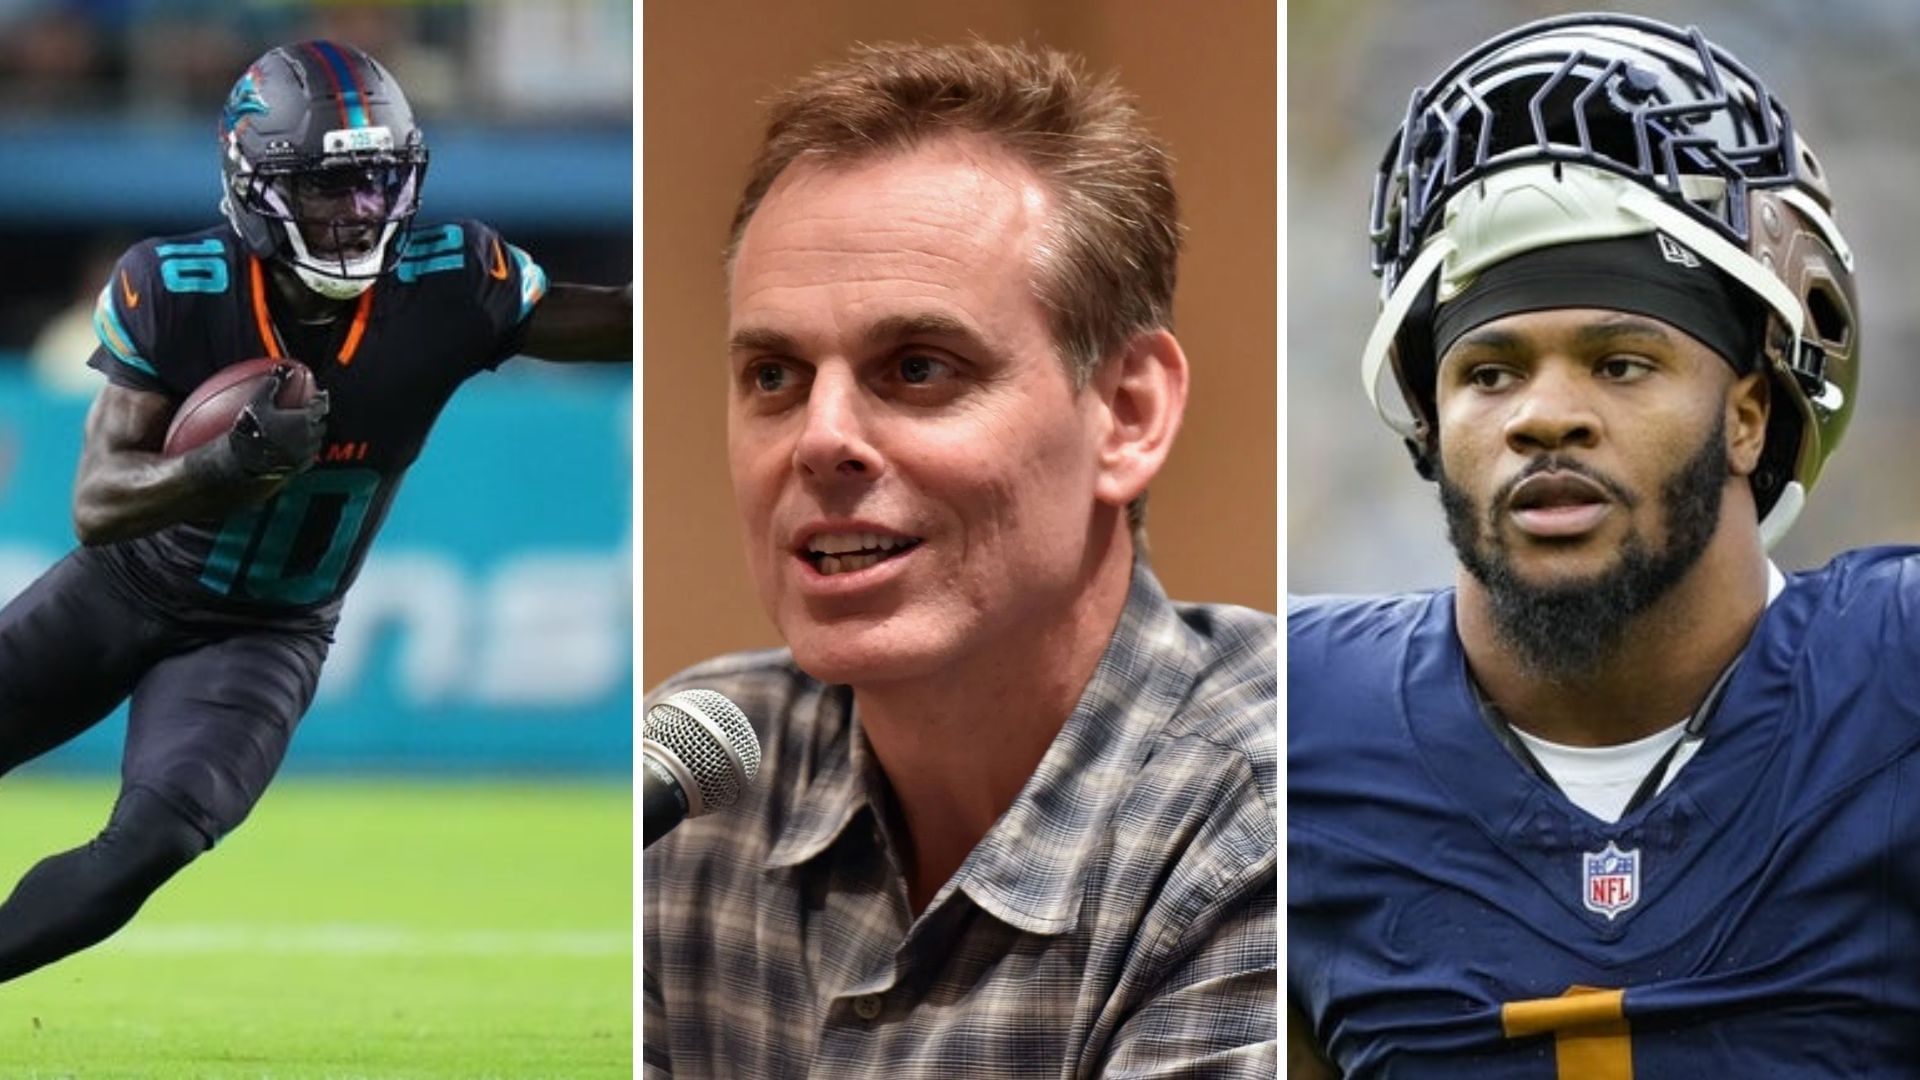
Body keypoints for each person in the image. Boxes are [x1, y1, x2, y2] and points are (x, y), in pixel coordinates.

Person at [1287, 12, 1920, 1076]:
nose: (1545, 416)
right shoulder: (1288, 727)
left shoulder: (1894, 673)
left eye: (1622, 362)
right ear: (1431, 423)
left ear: (1749, 416)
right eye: (1489, 373)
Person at [642, 41, 1276, 1077]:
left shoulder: (1268, 822)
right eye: (774, 373)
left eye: (918, 368)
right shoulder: (693, 788)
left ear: (1127, 413)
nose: (819, 437)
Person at [0, 40, 629, 983]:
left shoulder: (456, 279)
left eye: (379, 184)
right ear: (256, 186)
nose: (361, 212)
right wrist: (227, 464)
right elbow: (96, 504)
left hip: (267, 631)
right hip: (125, 586)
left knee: (154, 840)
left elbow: (628, 319)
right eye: (331, 188)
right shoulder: (175, 287)